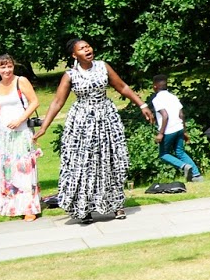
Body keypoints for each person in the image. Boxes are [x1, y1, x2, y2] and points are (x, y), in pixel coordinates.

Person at [34, 39, 154, 223]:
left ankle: (116, 205)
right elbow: (57, 102)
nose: (87, 49)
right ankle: (84, 209)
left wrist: (142, 105)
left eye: (88, 46)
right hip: (82, 123)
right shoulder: (70, 75)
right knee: (83, 165)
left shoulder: (103, 67)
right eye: (82, 48)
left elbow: (122, 86)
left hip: (106, 119)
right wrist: (44, 126)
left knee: (110, 160)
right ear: (74, 55)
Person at [0, 54, 42, 220]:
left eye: (9, 66)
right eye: (3, 67)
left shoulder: (21, 81)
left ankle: (29, 208)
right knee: (7, 171)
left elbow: (34, 102)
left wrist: (20, 119)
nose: (7, 70)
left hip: (22, 132)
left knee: (24, 169)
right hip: (4, 135)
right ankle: (12, 205)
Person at [150, 74, 201, 182]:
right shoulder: (173, 97)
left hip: (168, 131)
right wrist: (185, 131)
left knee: (164, 154)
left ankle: (184, 166)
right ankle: (197, 175)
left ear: (155, 86)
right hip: (179, 128)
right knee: (180, 152)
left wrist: (161, 133)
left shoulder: (157, 99)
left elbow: (165, 116)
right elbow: (181, 114)